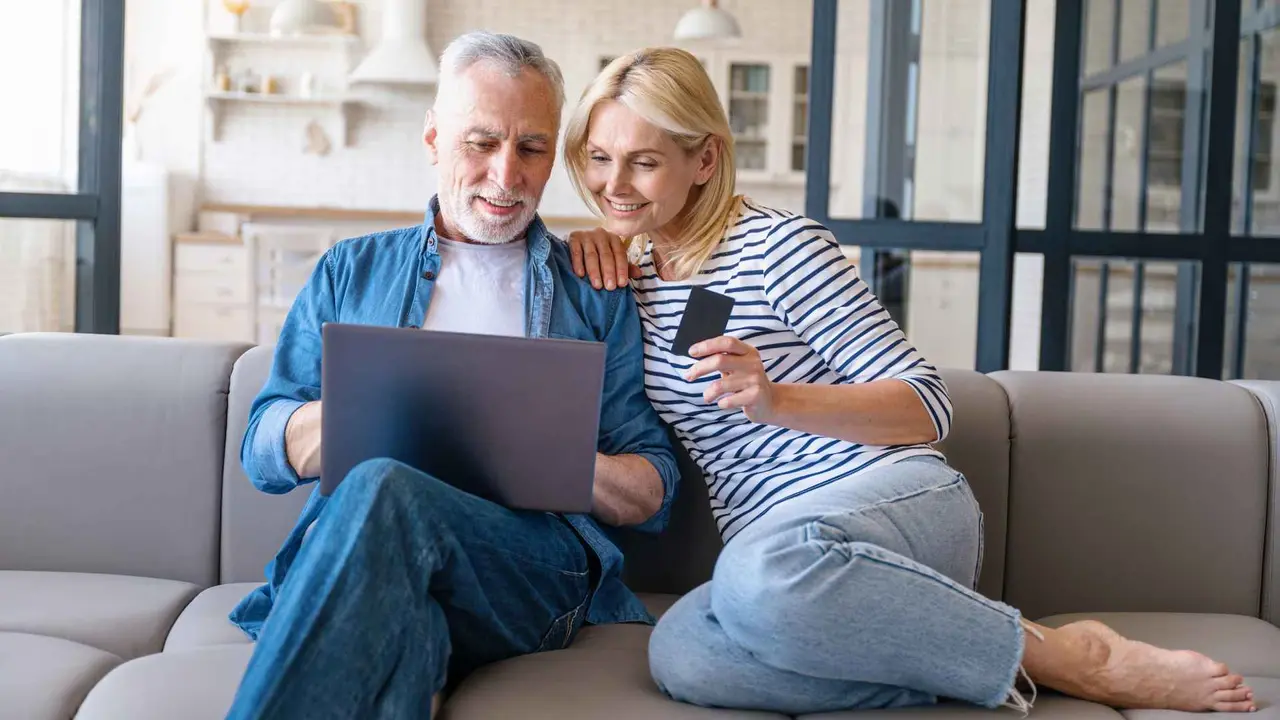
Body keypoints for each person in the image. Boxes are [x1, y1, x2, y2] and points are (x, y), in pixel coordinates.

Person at [563, 47, 1256, 716]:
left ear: (704, 158)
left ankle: (1075, 659)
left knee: (758, 574)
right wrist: (583, 239)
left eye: (644, 162)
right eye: (599, 158)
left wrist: (778, 398)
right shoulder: (630, 274)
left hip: (893, 505)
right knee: (684, 657)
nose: (614, 184)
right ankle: (976, 664)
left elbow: (927, 404)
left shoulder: (779, 247)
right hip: (782, 561)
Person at [223, 32, 679, 719]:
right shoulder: (351, 270)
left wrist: (545, 452)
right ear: (434, 138)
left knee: (385, 488)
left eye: (531, 148)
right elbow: (261, 450)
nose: (506, 175)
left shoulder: (593, 288)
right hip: (370, 554)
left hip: (526, 569)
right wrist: (353, 415)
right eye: (481, 143)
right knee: (409, 625)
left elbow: (654, 487)